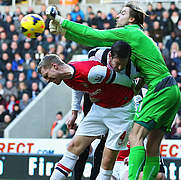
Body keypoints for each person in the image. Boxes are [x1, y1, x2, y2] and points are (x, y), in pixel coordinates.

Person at [46, 2, 181, 180]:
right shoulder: (140, 40)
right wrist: (65, 33)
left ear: (131, 19)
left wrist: (61, 22)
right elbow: (95, 40)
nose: (118, 16)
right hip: (172, 90)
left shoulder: (129, 33)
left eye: (122, 13)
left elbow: (94, 35)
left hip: (159, 88)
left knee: (135, 137)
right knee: (153, 146)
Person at [38, 42, 136, 180]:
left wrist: (135, 87)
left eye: (47, 75)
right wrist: (74, 112)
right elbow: (77, 87)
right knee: (73, 146)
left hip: (121, 112)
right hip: (99, 108)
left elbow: (120, 78)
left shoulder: (92, 72)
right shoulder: (67, 77)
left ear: (55, 66)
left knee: (107, 161)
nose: (48, 80)